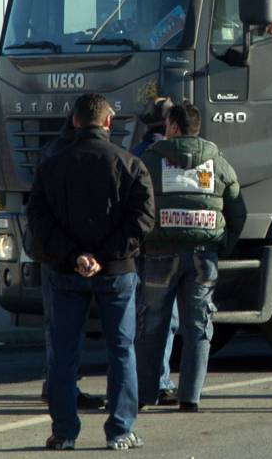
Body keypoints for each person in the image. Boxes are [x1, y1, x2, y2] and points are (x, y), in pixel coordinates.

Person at [26, 93, 155, 451]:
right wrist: (102, 255)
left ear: (75, 122)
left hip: (65, 272)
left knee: (64, 355)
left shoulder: (51, 166)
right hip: (116, 272)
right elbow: (142, 221)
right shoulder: (130, 164)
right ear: (108, 123)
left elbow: (38, 220)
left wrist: (75, 257)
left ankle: (64, 432)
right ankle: (120, 429)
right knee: (121, 350)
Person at [136, 102, 245, 413]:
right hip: (203, 256)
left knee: (152, 325)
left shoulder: (150, 160)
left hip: (159, 255)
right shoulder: (218, 163)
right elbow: (239, 210)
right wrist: (222, 246)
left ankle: (145, 396)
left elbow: (133, 204)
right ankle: (190, 398)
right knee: (198, 326)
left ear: (172, 127)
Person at [35, 114, 105, 412]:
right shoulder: (70, 157)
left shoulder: (51, 153)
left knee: (59, 328)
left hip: (53, 252)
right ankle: (59, 390)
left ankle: (56, 386)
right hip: (69, 256)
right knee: (65, 332)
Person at [131, 97, 180, 407]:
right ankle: (159, 381)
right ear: (169, 124)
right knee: (166, 317)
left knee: (141, 316)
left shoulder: (134, 155)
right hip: (166, 245)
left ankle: (138, 378)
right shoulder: (172, 157)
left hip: (138, 247)